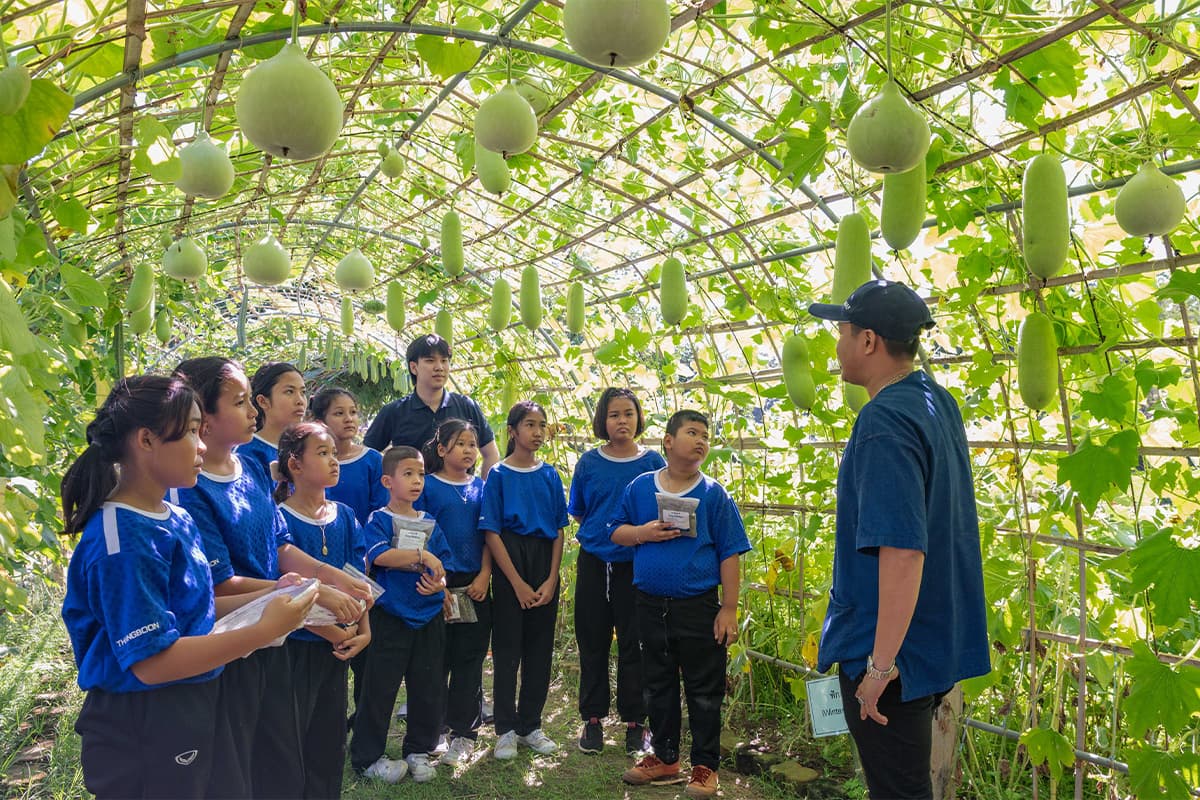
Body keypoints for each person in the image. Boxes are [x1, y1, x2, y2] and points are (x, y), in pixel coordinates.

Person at [60, 375, 316, 799]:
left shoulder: (173, 517)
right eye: (193, 432)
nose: (202, 446)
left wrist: (271, 595)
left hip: (193, 699)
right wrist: (261, 630)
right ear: (146, 440)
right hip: (144, 719)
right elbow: (153, 662)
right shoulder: (123, 539)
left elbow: (196, 608)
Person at [807, 279, 990, 800]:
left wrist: (878, 668)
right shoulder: (935, 400)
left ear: (868, 341)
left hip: (893, 658)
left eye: (841, 332)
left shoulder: (883, 419)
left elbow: (904, 550)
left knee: (900, 792)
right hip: (932, 644)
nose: (836, 346)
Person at [171, 356, 370, 798]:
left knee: (283, 759)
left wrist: (329, 575)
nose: (252, 413)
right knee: (242, 766)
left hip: (274, 633)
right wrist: (316, 591)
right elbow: (220, 586)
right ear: (203, 416)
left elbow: (279, 547)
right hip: (233, 644)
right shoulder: (190, 488)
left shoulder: (252, 468)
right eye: (241, 403)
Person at [612, 409, 750, 800]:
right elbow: (617, 532)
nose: (702, 440)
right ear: (668, 442)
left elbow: (730, 552)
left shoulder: (714, 495)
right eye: (693, 432)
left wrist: (729, 607)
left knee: (705, 689)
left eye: (706, 434)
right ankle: (665, 757)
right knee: (657, 683)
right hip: (649, 604)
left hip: (698, 607)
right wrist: (642, 533)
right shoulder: (641, 488)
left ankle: (705, 765)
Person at [274, 422, 372, 799]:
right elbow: (284, 587)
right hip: (297, 646)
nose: (334, 461)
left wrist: (364, 629)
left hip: (340, 646)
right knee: (292, 737)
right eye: (323, 453)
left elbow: (357, 578)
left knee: (330, 740)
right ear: (295, 464)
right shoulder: (280, 519)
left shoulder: (344, 515)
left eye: (335, 453)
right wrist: (332, 631)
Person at [569, 388, 665, 755]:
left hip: (636, 564)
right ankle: (592, 720)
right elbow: (579, 510)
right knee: (591, 640)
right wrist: (601, 535)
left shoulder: (652, 461)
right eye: (613, 415)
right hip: (594, 561)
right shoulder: (589, 463)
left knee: (634, 643)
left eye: (628, 413)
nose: (621, 421)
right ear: (602, 421)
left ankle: (634, 722)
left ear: (639, 418)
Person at [350, 446, 452, 784]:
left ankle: (419, 751)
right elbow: (379, 557)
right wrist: (424, 556)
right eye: (408, 474)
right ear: (387, 481)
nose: (417, 481)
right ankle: (368, 757)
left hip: (428, 618)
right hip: (390, 618)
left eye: (421, 474)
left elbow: (444, 566)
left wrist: (441, 585)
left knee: (428, 687)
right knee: (378, 689)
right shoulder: (378, 519)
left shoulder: (431, 522)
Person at [480, 400, 567, 760]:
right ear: (513, 431)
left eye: (542, 425)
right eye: (529, 424)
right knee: (507, 649)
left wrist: (551, 579)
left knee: (539, 649)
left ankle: (531, 724)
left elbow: (560, 531)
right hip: (509, 560)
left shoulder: (550, 474)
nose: (537, 432)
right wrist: (514, 582)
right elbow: (491, 532)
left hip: (544, 560)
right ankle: (505, 729)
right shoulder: (498, 475)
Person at [418, 418, 491, 764]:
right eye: (460, 443)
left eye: (473, 444)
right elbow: (422, 535)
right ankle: (436, 730)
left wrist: (485, 576)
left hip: (474, 585)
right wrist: (438, 583)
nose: (468, 450)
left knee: (469, 660)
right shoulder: (428, 487)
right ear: (442, 449)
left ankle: (465, 733)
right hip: (437, 585)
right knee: (436, 660)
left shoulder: (482, 488)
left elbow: (489, 535)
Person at [363, 333, 500, 478]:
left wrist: (485, 493)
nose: (439, 367)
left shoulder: (466, 406)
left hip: (460, 497)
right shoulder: (394, 411)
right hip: (413, 498)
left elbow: (490, 454)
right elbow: (367, 458)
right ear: (414, 367)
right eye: (430, 360)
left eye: (444, 361)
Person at [311, 387, 388, 526]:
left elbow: (381, 512)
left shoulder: (373, 460)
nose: (349, 419)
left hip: (364, 543)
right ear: (320, 421)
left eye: (353, 412)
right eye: (339, 413)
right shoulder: (309, 460)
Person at [238, 362, 307, 487]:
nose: (300, 401)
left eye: (303, 392)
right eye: (289, 392)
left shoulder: (307, 449)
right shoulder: (247, 452)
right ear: (263, 401)